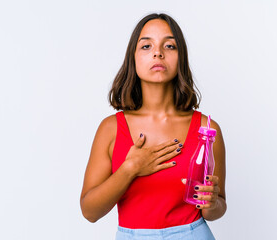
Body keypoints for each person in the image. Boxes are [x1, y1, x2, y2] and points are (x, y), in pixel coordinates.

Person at [80, 13, 227, 240]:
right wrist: (130, 169)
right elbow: (89, 212)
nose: (158, 52)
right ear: (134, 58)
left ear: (181, 58)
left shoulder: (206, 129)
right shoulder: (110, 129)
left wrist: (212, 202)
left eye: (169, 46)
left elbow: (215, 209)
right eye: (146, 46)